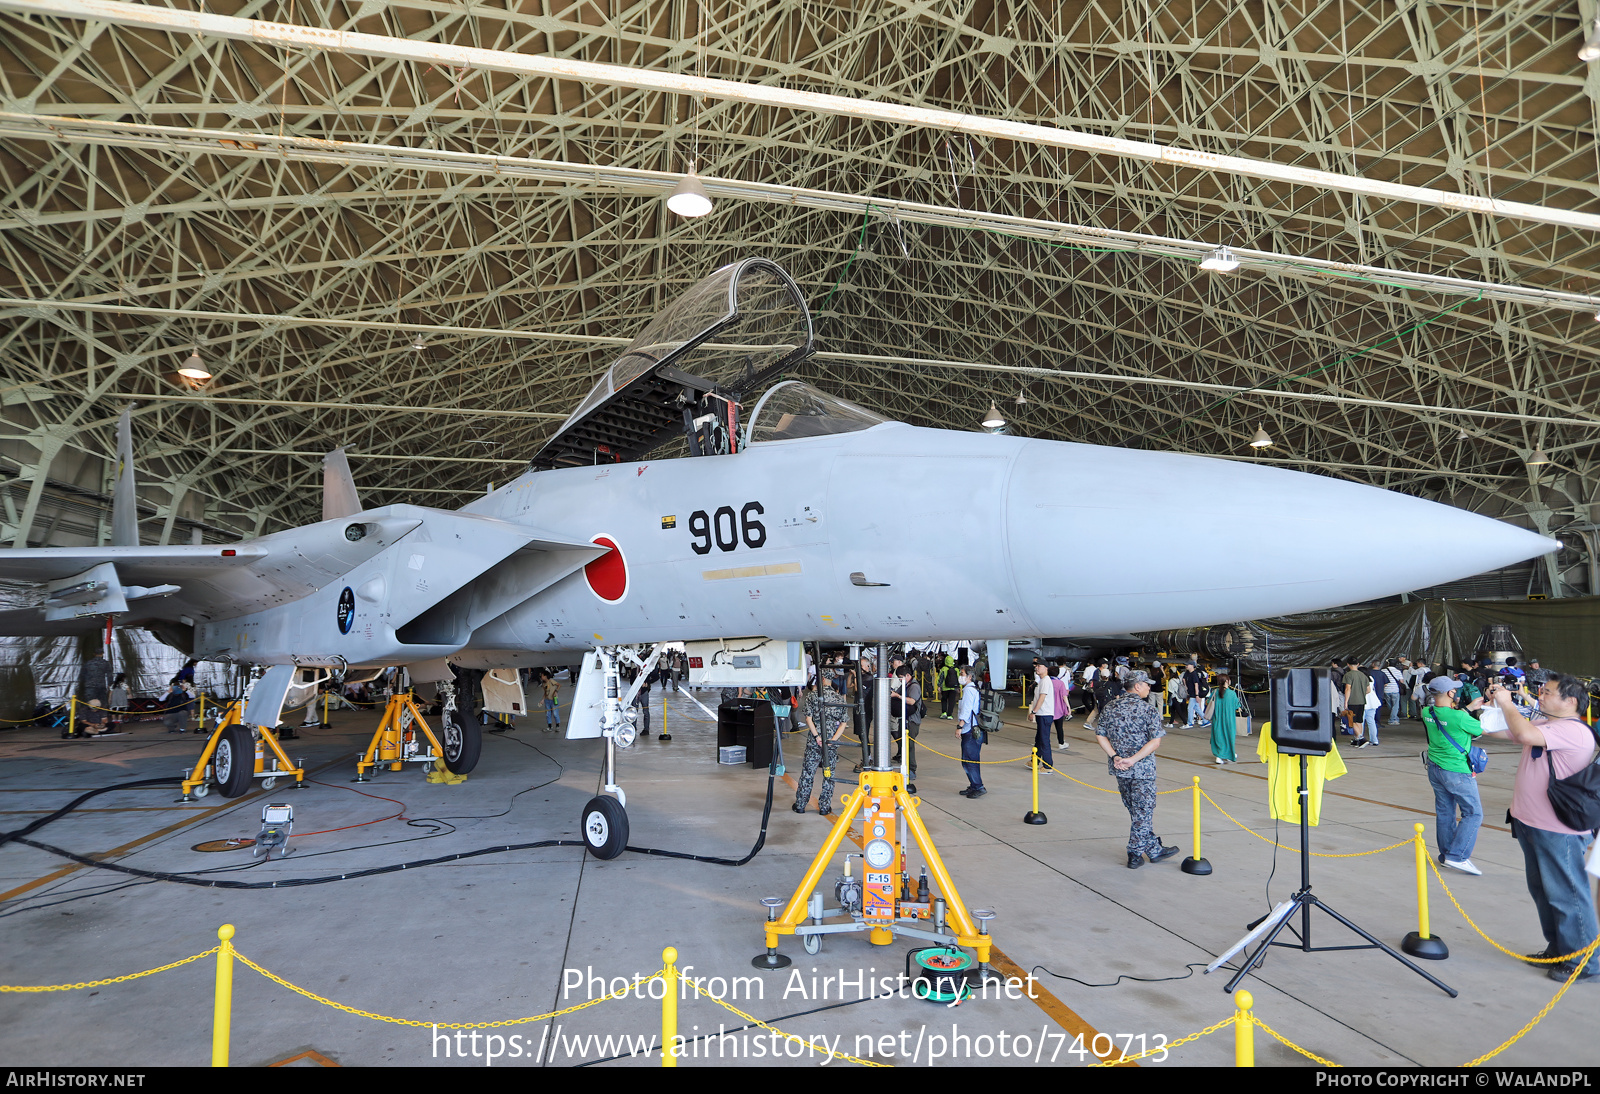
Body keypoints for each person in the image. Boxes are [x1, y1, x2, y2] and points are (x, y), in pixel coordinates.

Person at [1483, 675, 1599, 983]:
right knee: (1543, 891)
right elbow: (1497, 731)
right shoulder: (1546, 726)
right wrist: (1492, 706)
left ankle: (1584, 961)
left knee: (1567, 893)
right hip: (1529, 821)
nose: (1541, 696)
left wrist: (1508, 703)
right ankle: (1558, 948)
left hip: (1557, 828)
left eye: (1547, 693)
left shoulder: (1573, 730)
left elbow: (1521, 733)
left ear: (1571, 701)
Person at [1094, 671, 1179, 869]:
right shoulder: (1148, 710)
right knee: (1143, 812)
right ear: (1138, 686)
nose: (1150, 687)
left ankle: (1154, 850)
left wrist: (1115, 756)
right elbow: (1155, 742)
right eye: (1147, 684)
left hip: (1120, 769)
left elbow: (1100, 735)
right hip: (1142, 771)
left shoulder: (1110, 707)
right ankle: (1134, 853)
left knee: (1136, 811)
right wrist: (1132, 760)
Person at [1420, 676, 1487, 875]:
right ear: (1450, 693)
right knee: (1473, 813)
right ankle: (1457, 856)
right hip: (1456, 771)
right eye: (1454, 690)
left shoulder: (1426, 711)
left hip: (1435, 768)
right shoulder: (1460, 717)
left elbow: (1448, 718)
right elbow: (1480, 730)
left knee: (1445, 811)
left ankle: (1446, 855)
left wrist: (1468, 709)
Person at [793, 676, 846, 815]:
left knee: (808, 773)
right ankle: (824, 807)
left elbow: (808, 718)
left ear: (822, 679)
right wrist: (832, 740)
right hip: (831, 745)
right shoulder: (839, 698)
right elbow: (843, 723)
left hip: (814, 742)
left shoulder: (813, 696)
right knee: (828, 775)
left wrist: (817, 736)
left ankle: (800, 805)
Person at [889, 666, 922, 789]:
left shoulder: (914, 686)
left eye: (902, 678)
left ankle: (912, 769)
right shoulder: (906, 685)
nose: (901, 680)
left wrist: (897, 696)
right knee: (904, 745)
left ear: (908, 676)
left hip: (912, 721)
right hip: (904, 718)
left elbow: (912, 701)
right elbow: (897, 692)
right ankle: (906, 767)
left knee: (910, 746)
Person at [956, 666, 985, 798]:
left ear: (969, 677)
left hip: (970, 730)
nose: (960, 676)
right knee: (969, 759)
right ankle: (974, 785)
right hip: (972, 729)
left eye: (962, 674)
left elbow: (967, 711)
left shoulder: (968, 691)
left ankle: (978, 786)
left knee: (969, 760)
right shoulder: (971, 689)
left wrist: (960, 726)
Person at [1027, 660, 1055, 769]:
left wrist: (1033, 712)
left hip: (1044, 714)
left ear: (1046, 668)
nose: (1036, 668)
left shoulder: (1046, 681)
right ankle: (1034, 761)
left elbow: (1042, 698)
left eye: (1039, 666)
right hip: (1042, 714)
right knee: (1039, 739)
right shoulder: (1041, 681)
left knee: (1044, 741)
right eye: (1036, 666)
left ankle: (1047, 766)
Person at [1210, 674, 1239, 764]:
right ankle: (1229, 755)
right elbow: (1237, 706)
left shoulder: (1215, 692)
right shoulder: (1232, 694)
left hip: (1217, 720)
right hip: (1229, 720)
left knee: (1219, 737)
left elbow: (1209, 702)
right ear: (1227, 681)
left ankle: (1219, 756)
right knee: (1229, 737)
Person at [1344, 659, 1373, 746]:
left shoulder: (1348, 675)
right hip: (1362, 701)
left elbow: (1347, 688)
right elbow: (1368, 690)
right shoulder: (1363, 675)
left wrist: (1346, 701)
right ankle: (1357, 740)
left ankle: (1361, 738)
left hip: (1352, 701)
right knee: (1359, 721)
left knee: (1352, 721)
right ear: (1358, 664)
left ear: (1348, 664)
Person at [1183, 661, 1209, 727]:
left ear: (1192, 665)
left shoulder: (1194, 674)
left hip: (1194, 694)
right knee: (1197, 708)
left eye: (1187, 664)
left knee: (1190, 708)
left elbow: (1196, 684)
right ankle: (1206, 721)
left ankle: (1189, 723)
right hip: (1193, 694)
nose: (1186, 666)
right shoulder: (1189, 673)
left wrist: (1197, 695)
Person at [1050, 664, 1071, 747]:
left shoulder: (1045, 681)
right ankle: (1061, 743)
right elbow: (1064, 696)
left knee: (1045, 727)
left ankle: (1042, 741)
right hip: (1058, 709)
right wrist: (1068, 707)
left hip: (1048, 708)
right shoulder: (1060, 683)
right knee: (1059, 727)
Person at [1381, 659, 1405, 725]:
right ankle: (1392, 720)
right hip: (1395, 690)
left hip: (1386, 690)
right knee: (1395, 706)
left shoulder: (1383, 671)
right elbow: (1402, 681)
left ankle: (1395, 718)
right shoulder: (1398, 671)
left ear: (1388, 664)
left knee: (1390, 705)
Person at [938, 654, 960, 719]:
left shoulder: (944, 669)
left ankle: (944, 712)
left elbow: (940, 678)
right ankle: (949, 714)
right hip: (954, 688)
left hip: (945, 688)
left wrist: (939, 686)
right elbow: (958, 679)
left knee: (944, 700)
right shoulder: (956, 669)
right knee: (952, 701)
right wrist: (959, 687)